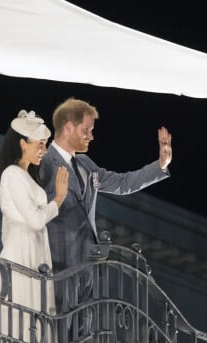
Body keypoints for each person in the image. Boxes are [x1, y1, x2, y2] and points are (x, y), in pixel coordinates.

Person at [39, 98, 172, 305]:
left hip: (87, 265)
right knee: (59, 329)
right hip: (58, 264)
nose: (91, 136)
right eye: (86, 130)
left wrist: (160, 165)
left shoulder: (85, 164)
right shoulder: (45, 161)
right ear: (68, 127)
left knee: (84, 332)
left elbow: (123, 183)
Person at [0, 109, 69, 343]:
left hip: (35, 253)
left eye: (45, 144)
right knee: (20, 322)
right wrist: (58, 199)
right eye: (39, 144)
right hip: (21, 252)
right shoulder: (12, 174)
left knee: (37, 318)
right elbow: (35, 219)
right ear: (22, 143)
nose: (43, 151)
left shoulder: (28, 178)